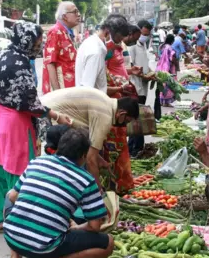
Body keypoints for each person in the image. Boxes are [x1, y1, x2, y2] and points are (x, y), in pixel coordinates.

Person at [0, 22, 72, 233]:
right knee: (20, 173)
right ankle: (18, 222)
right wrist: (56, 115)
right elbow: (29, 103)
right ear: (27, 40)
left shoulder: (0, 56)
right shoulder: (21, 63)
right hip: (16, 128)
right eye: (37, 42)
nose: (38, 46)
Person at [4, 128, 114, 258]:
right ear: (84, 156)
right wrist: (75, 228)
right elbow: (95, 226)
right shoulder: (86, 180)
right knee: (108, 243)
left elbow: (13, 197)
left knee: (10, 193)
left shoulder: (37, 162)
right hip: (45, 247)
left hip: (11, 236)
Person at [40, 87, 139, 189]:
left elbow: (91, 149)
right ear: (122, 114)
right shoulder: (106, 116)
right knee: (61, 165)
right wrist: (98, 189)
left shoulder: (106, 102)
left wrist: (100, 159)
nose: (125, 124)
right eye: (126, 121)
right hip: (47, 115)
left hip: (45, 107)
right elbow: (90, 159)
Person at [103, 19, 138, 193]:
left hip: (120, 95)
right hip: (112, 98)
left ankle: (123, 182)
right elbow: (104, 73)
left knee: (120, 141)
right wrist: (118, 85)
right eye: (123, 35)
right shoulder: (106, 49)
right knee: (113, 143)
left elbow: (119, 70)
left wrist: (130, 74)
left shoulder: (118, 48)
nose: (125, 39)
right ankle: (115, 183)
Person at [75, 14, 129, 93]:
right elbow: (87, 90)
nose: (119, 44)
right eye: (117, 40)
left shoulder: (92, 42)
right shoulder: (96, 52)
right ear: (107, 33)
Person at [128, 20, 154, 158]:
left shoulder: (143, 45)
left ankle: (137, 147)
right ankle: (133, 149)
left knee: (139, 117)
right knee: (136, 119)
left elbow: (145, 63)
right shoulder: (132, 46)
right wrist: (144, 75)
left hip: (142, 87)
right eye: (144, 33)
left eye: (148, 33)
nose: (145, 35)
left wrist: (151, 73)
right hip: (135, 86)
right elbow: (131, 66)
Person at [42, 2, 80, 94]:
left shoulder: (67, 32)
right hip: (61, 93)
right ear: (65, 16)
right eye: (75, 12)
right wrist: (57, 94)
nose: (78, 14)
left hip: (69, 90)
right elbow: (50, 63)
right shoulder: (55, 31)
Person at [156, 34, 177, 107]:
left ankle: (162, 101)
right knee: (169, 84)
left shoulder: (161, 46)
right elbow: (172, 58)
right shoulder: (170, 48)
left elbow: (158, 56)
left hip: (160, 67)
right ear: (172, 41)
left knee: (163, 84)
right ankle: (166, 102)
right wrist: (176, 64)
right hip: (168, 67)